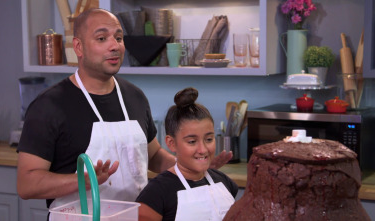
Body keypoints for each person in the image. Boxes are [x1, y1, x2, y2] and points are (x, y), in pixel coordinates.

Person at [16, 8, 232, 211]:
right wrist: (82, 181)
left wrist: (189, 164)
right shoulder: (49, 106)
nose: (115, 46)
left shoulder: (134, 96)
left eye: (118, 38)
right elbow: (27, 184)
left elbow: (154, 156)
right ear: (78, 47)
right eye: (102, 39)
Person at [136, 87, 238, 221]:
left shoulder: (224, 182)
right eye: (192, 141)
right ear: (171, 143)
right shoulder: (155, 193)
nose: (202, 149)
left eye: (208, 139)